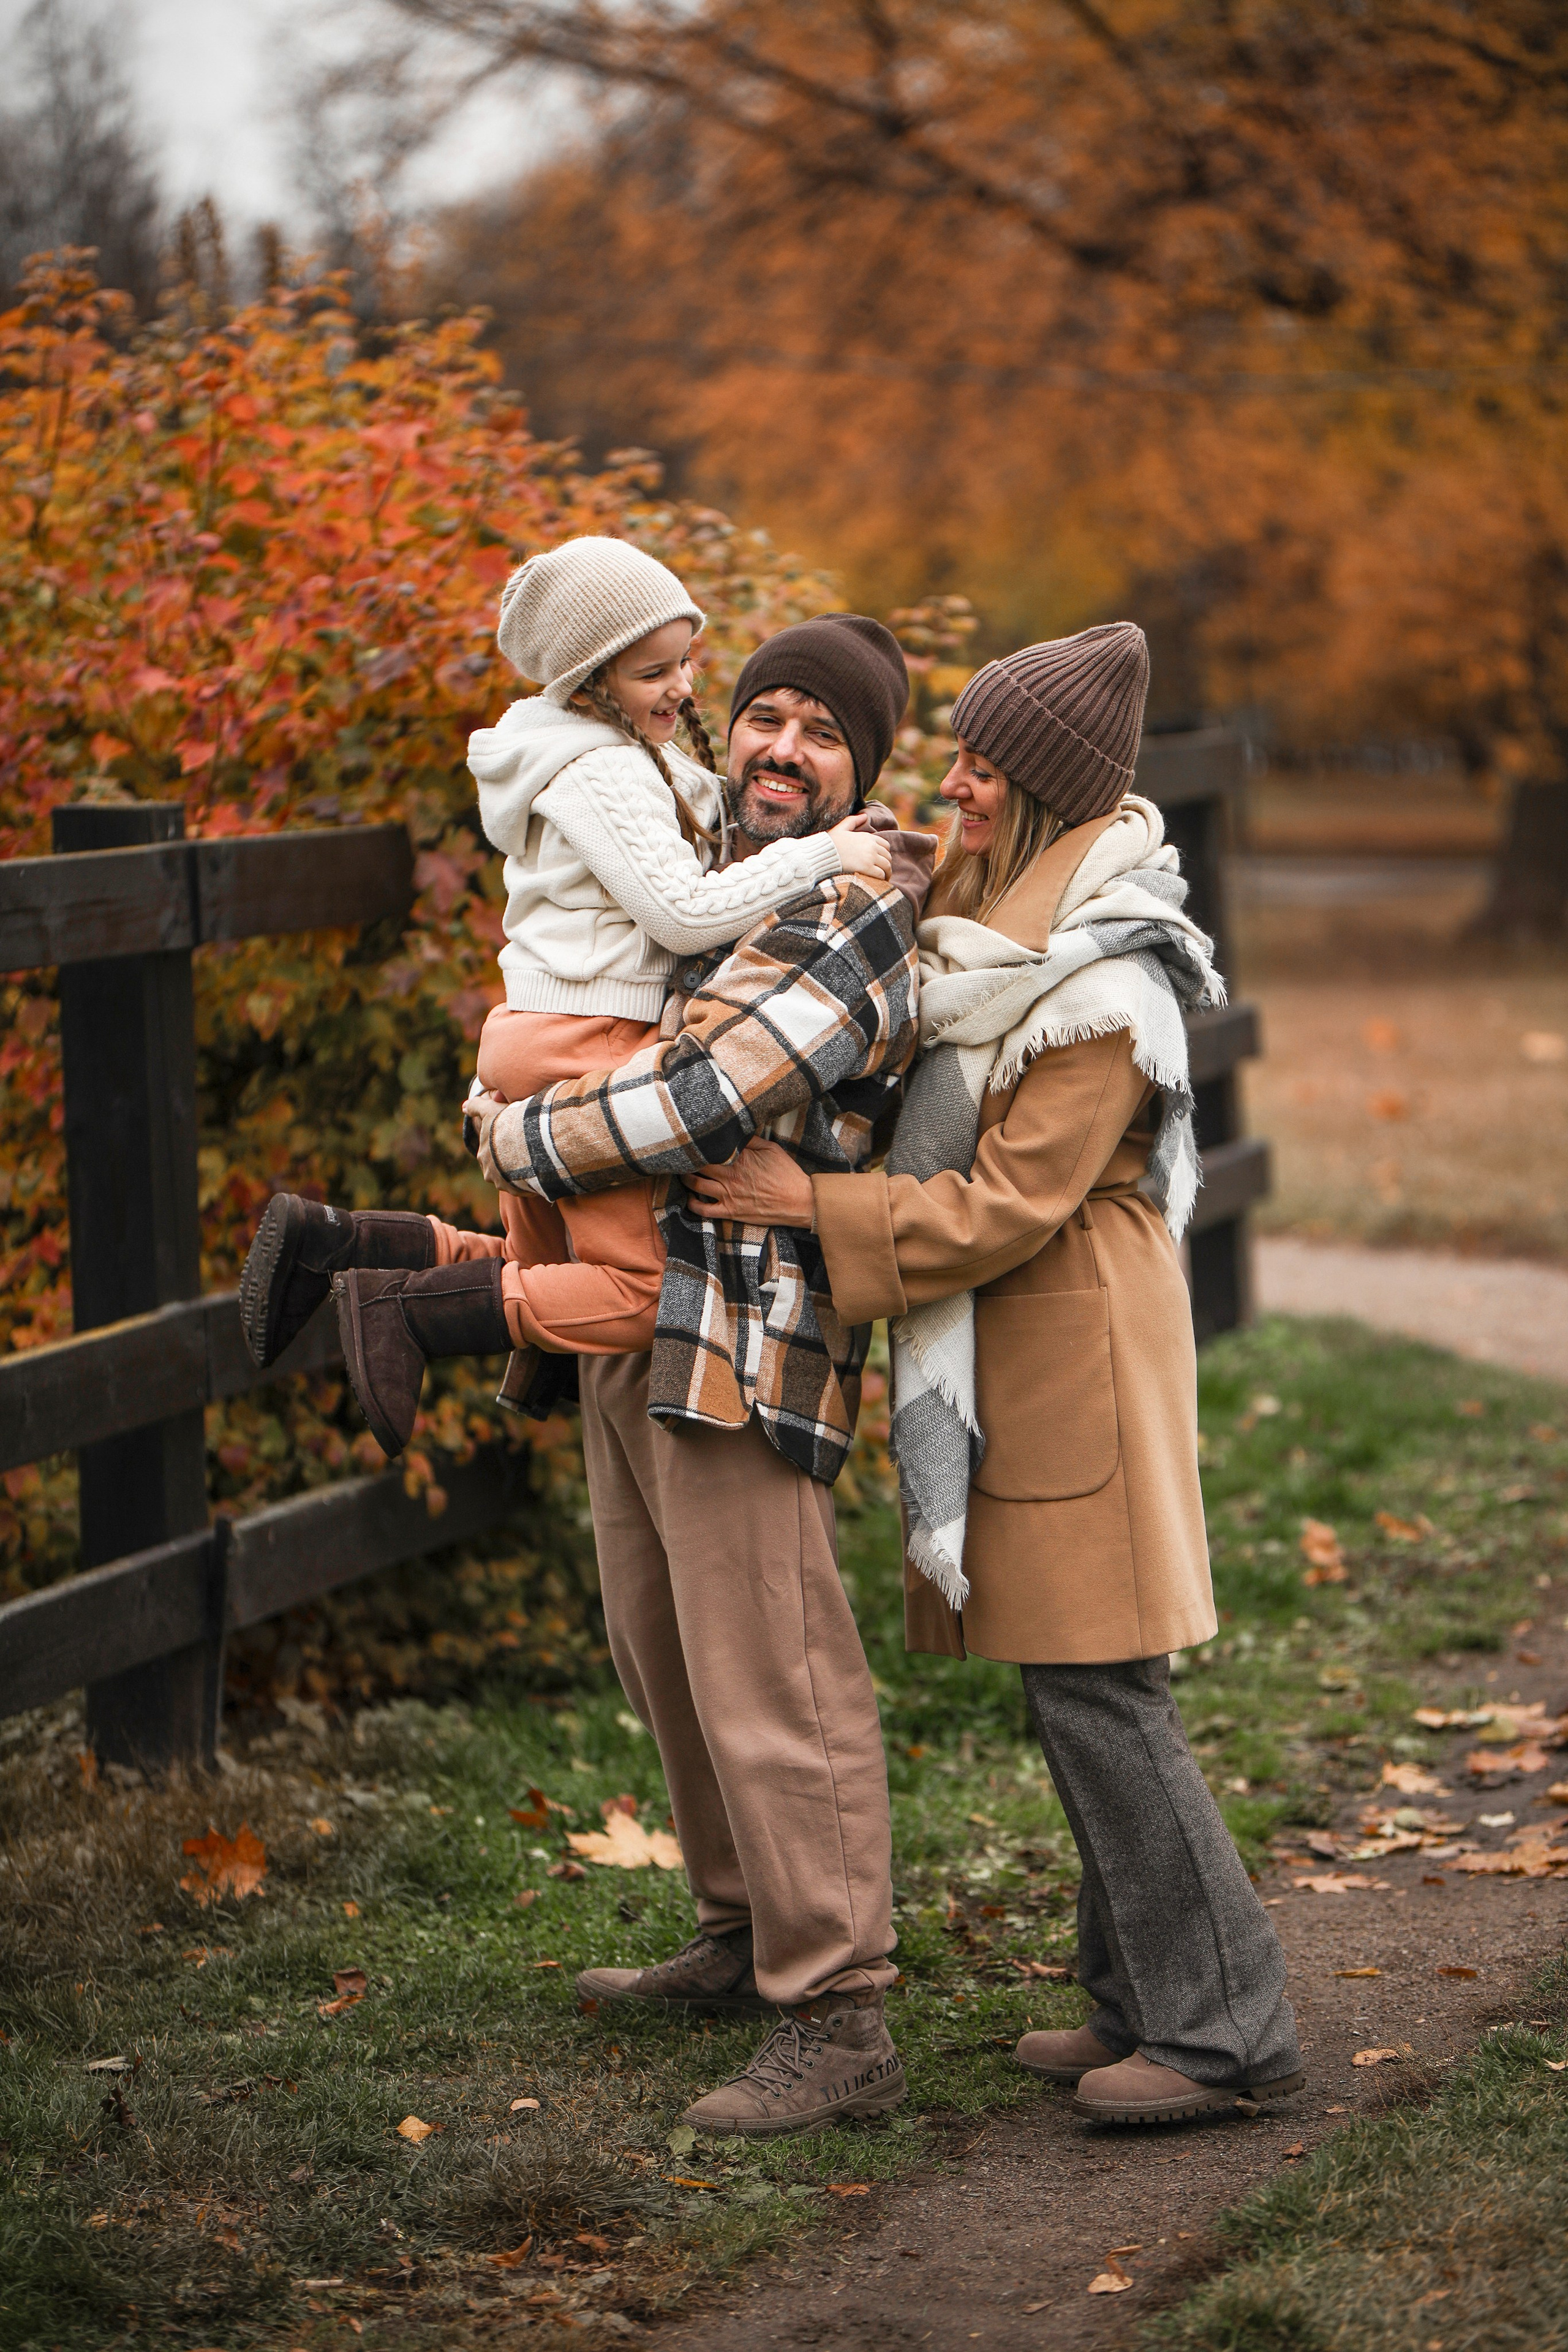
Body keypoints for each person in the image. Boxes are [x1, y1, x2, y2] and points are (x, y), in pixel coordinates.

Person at [688, 624, 1305, 2129]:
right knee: (1079, 1681)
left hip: (1070, 1341)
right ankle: (1132, 2005)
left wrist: (803, 1208)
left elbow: (1003, 1207)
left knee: (1103, 1690)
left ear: (1042, 790)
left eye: (978, 767)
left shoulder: (1101, 980)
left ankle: (1228, 2034)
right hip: (1037, 1339)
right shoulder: (1009, 910)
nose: (952, 787)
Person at [470, 612, 937, 2138]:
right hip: (639, 1314)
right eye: (762, 717)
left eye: (819, 732)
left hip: (749, 1332)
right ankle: (742, 1930)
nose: (779, 749)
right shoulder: (696, 884)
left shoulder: (854, 905)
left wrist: (509, 1132)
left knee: (771, 1668)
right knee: (659, 1647)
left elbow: (694, 1096)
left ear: (861, 769)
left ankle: (838, 2006)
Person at [236, 537, 891, 1446]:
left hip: (533, 1028)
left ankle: (343, 1244)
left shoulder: (608, 753)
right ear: (591, 679)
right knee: (640, 1287)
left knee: (537, 1264)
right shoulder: (605, 769)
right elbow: (680, 910)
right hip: (591, 1032)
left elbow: (708, 807)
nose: (682, 687)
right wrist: (829, 851)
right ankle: (403, 1309)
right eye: (654, 670)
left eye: (687, 661)